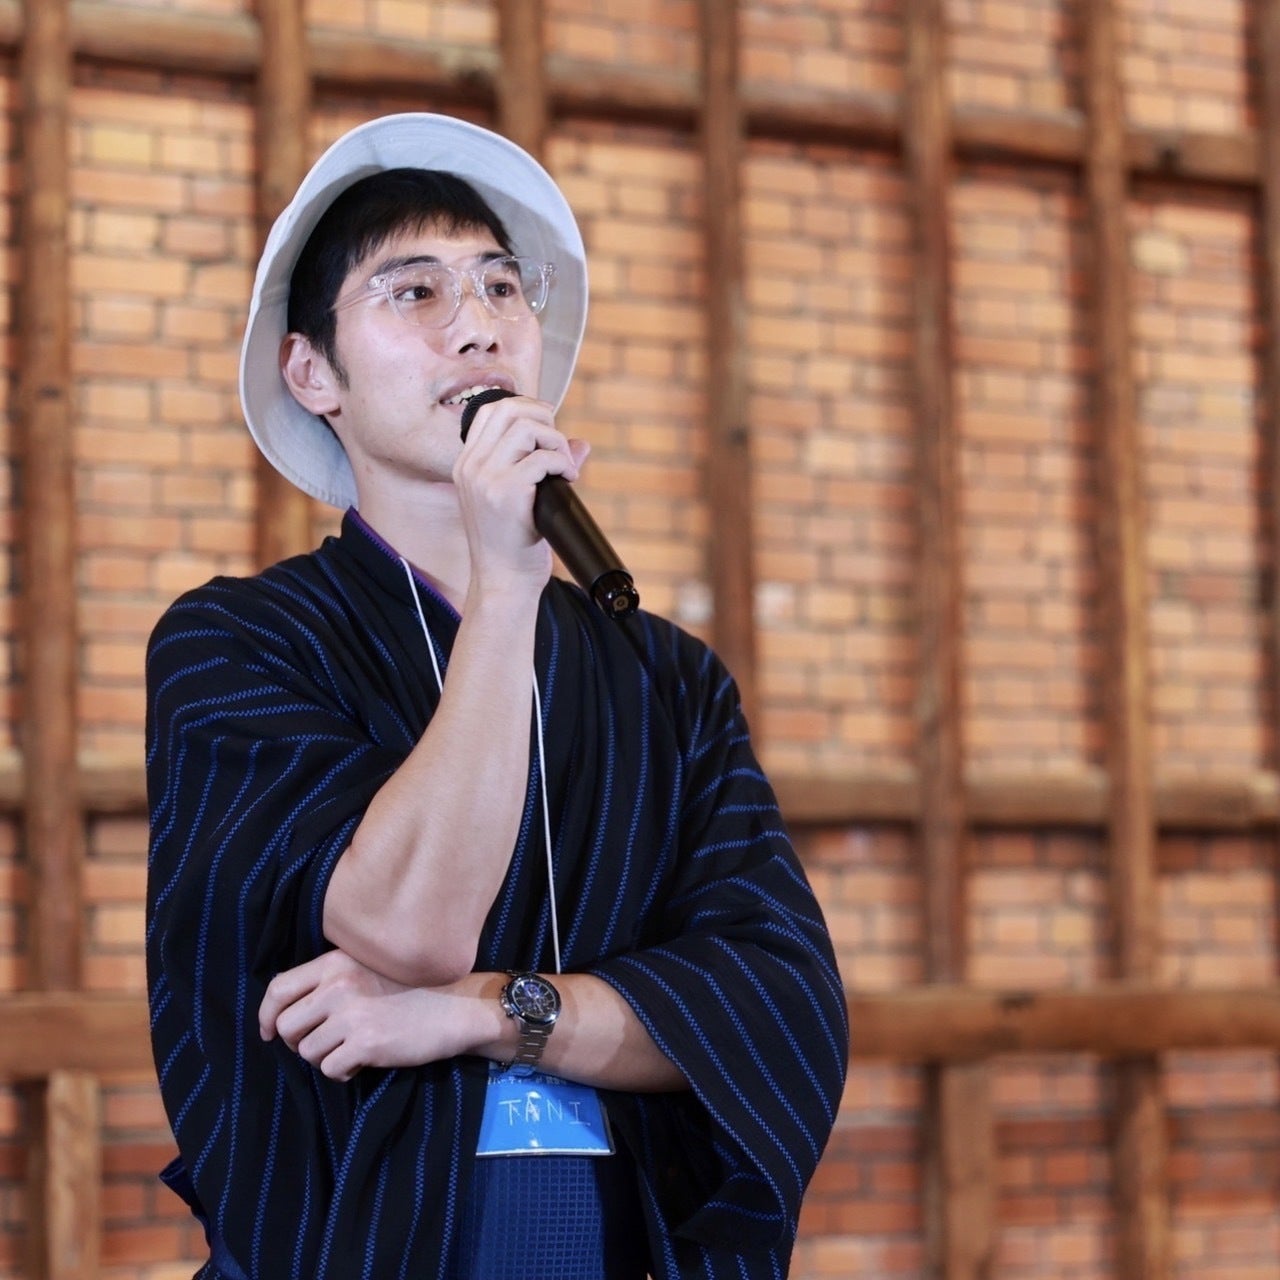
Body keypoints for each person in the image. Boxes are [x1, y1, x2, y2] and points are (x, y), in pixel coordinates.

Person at [145, 112, 848, 1280]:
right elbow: (404, 925)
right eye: (414, 291)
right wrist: (507, 585)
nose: (475, 324)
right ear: (311, 370)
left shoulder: (665, 677)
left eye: (501, 287)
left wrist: (489, 1010)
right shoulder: (237, 643)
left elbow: (774, 1003)